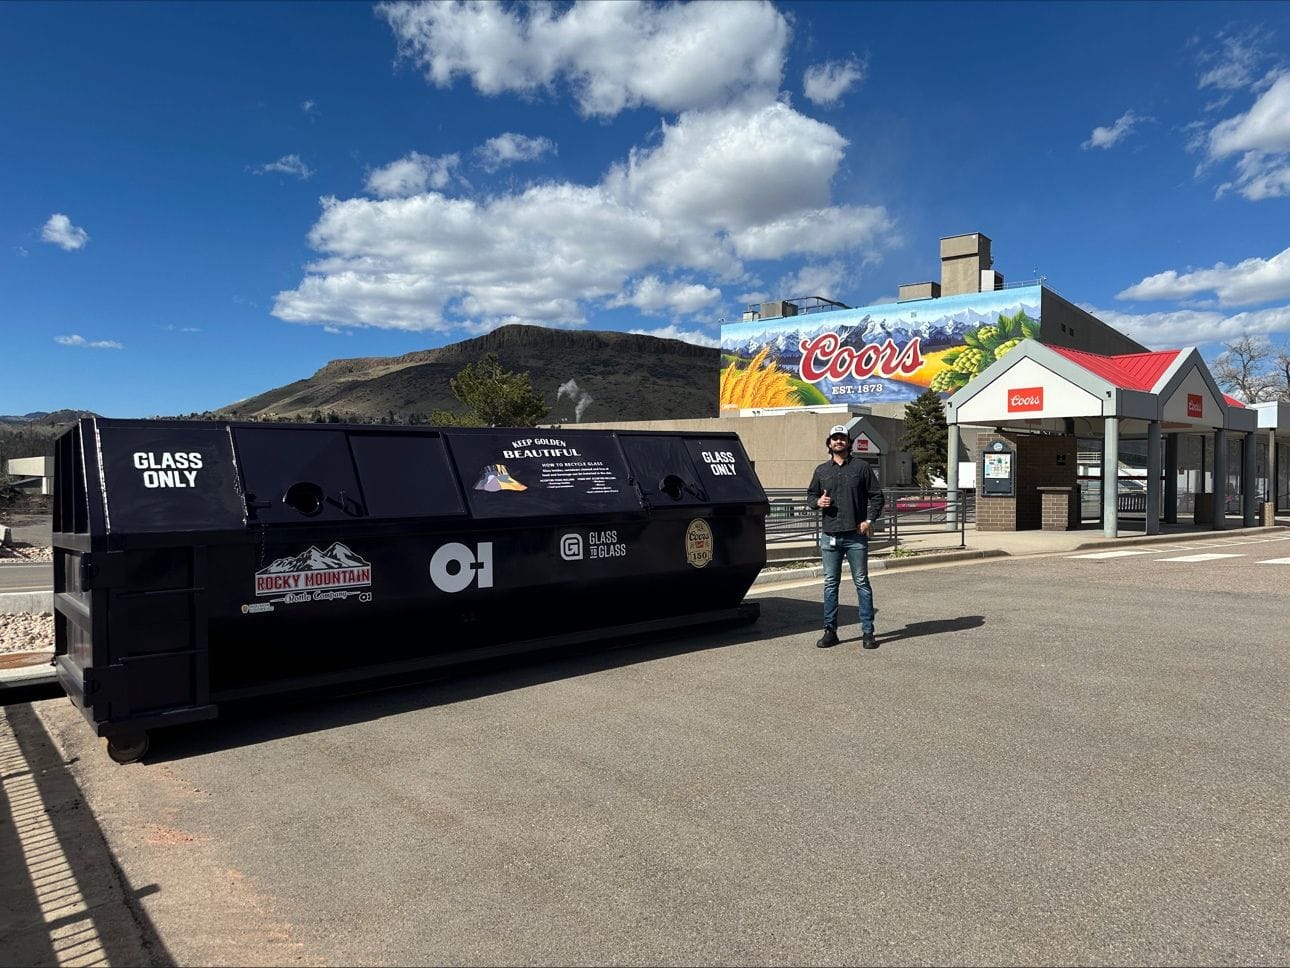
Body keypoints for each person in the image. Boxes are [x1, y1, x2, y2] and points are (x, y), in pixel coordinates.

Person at [806, 425, 884, 649]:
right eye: (835, 438)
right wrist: (817, 502)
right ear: (829, 443)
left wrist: (869, 521)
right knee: (830, 584)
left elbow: (877, 497)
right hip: (830, 535)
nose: (838, 441)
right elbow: (810, 495)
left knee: (862, 583)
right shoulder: (821, 470)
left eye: (842, 438)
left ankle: (868, 632)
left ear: (849, 443)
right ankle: (830, 632)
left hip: (855, 536)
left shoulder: (862, 468)